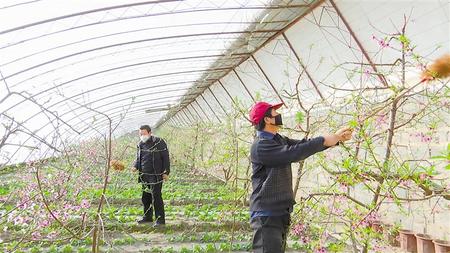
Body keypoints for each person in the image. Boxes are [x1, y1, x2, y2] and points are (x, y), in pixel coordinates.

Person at [248, 102, 352, 253]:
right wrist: (326, 139)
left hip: (279, 212)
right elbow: (294, 152)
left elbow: (304, 145)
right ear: (267, 119)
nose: (279, 114)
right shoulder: (261, 146)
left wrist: (337, 139)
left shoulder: (277, 139)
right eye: (275, 112)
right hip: (266, 215)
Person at [133, 125, 170, 227]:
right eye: (140, 134)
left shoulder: (158, 142)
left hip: (155, 175)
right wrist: (135, 166)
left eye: (144, 134)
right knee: (146, 197)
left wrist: (166, 172)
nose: (142, 136)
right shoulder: (140, 144)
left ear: (149, 133)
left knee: (156, 197)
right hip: (144, 175)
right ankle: (147, 217)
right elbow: (139, 158)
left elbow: (166, 157)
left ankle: (160, 220)